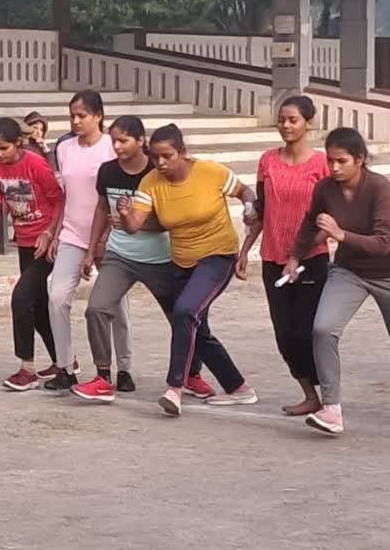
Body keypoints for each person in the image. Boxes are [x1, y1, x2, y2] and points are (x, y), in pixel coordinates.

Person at [117, 123, 260, 416]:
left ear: (183, 152)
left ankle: (175, 387)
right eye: (155, 157)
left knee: (184, 312)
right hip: (182, 262)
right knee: (195, 326)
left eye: (167, 156)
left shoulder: (210, 172)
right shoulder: (151, 182)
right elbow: (134, 226)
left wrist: (249, 207)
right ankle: (238, 388)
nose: (160, 163)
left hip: (218, 255)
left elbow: (244, 191)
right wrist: (125, 214)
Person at [71, 116, 215, 402]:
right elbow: (101, 208)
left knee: (184, 317)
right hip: (120, 256)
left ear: (140, 141)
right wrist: (91, 249)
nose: (117, 146)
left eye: (123, 140)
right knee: (96, 308)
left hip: (162, 258)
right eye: (114, 140)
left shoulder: (158, 171)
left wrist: (133, 223)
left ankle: (192, 374)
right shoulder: (108, 171)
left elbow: (171, 218)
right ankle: (103, 377)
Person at [284, 128, 390, 435]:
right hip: (349, 271)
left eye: (341, 161)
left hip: (386, 271)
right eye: (330, 161)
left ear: (360, 159)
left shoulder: (380, 188)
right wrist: (295, 257)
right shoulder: (325, 188)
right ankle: (331, 409)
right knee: (323, 328)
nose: (334, 167)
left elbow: (384, 243)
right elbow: (310, 223)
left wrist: (341, 235)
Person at [237, 96, 329, 416]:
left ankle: (330, 396)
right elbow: (261, 209)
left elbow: (329, 219)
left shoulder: (322, 165)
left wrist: (299, 254)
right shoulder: (268, 160)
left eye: (293, 120)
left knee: (308, 332)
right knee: (285, 335)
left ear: (308, 123)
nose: (286, 126)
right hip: (273, 258)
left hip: (311, 259)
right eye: (281, 119)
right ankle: (310, 394)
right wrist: (246, 248)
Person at [0, 118, 65, 391]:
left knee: (21, 298)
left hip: (46, 243)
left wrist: (50, 233)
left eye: (3, 148)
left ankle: (27, 369)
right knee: (37, 306)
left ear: (18, 143)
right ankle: (64, 361)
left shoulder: (35, 164)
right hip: (24, 242)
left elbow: (59, 199)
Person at [46, 91, 115, 390]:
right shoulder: (64, 148)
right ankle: (64, 366)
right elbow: (66, 195)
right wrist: (55, 232)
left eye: (82, 115)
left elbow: (114, 195)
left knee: (115, 306)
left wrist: (105, 237)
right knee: (57, 296)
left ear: (98, 116)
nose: (75, 121)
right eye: (72, 115)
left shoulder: (112, 146)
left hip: (108, 235)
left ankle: (123, 369)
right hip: (72, 233)